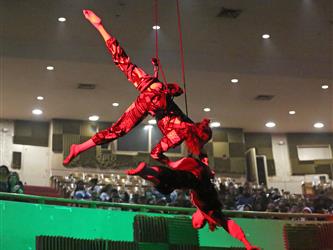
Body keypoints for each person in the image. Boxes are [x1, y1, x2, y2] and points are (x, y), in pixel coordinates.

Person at [63, 10, 211, 166]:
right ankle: (79, 148)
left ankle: (99, 26)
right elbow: (155, 153)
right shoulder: (177, 135)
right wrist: (172, 163)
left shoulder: (191, 125)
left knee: (124, 62)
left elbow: (200, 147)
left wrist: (205, 162)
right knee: (117, 130)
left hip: (155, 87)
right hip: (150, 101)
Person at [126, 157, 259, 250]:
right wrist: (246, 243)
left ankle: (146, 174)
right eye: (195, 222)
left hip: (199, 176)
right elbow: (229, 225)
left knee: (168, 187)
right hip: (199, 178)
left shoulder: (205, 209)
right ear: (202, 222)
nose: (193, 218)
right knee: (173, 179)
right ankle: (147, 172)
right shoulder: (211, 213)